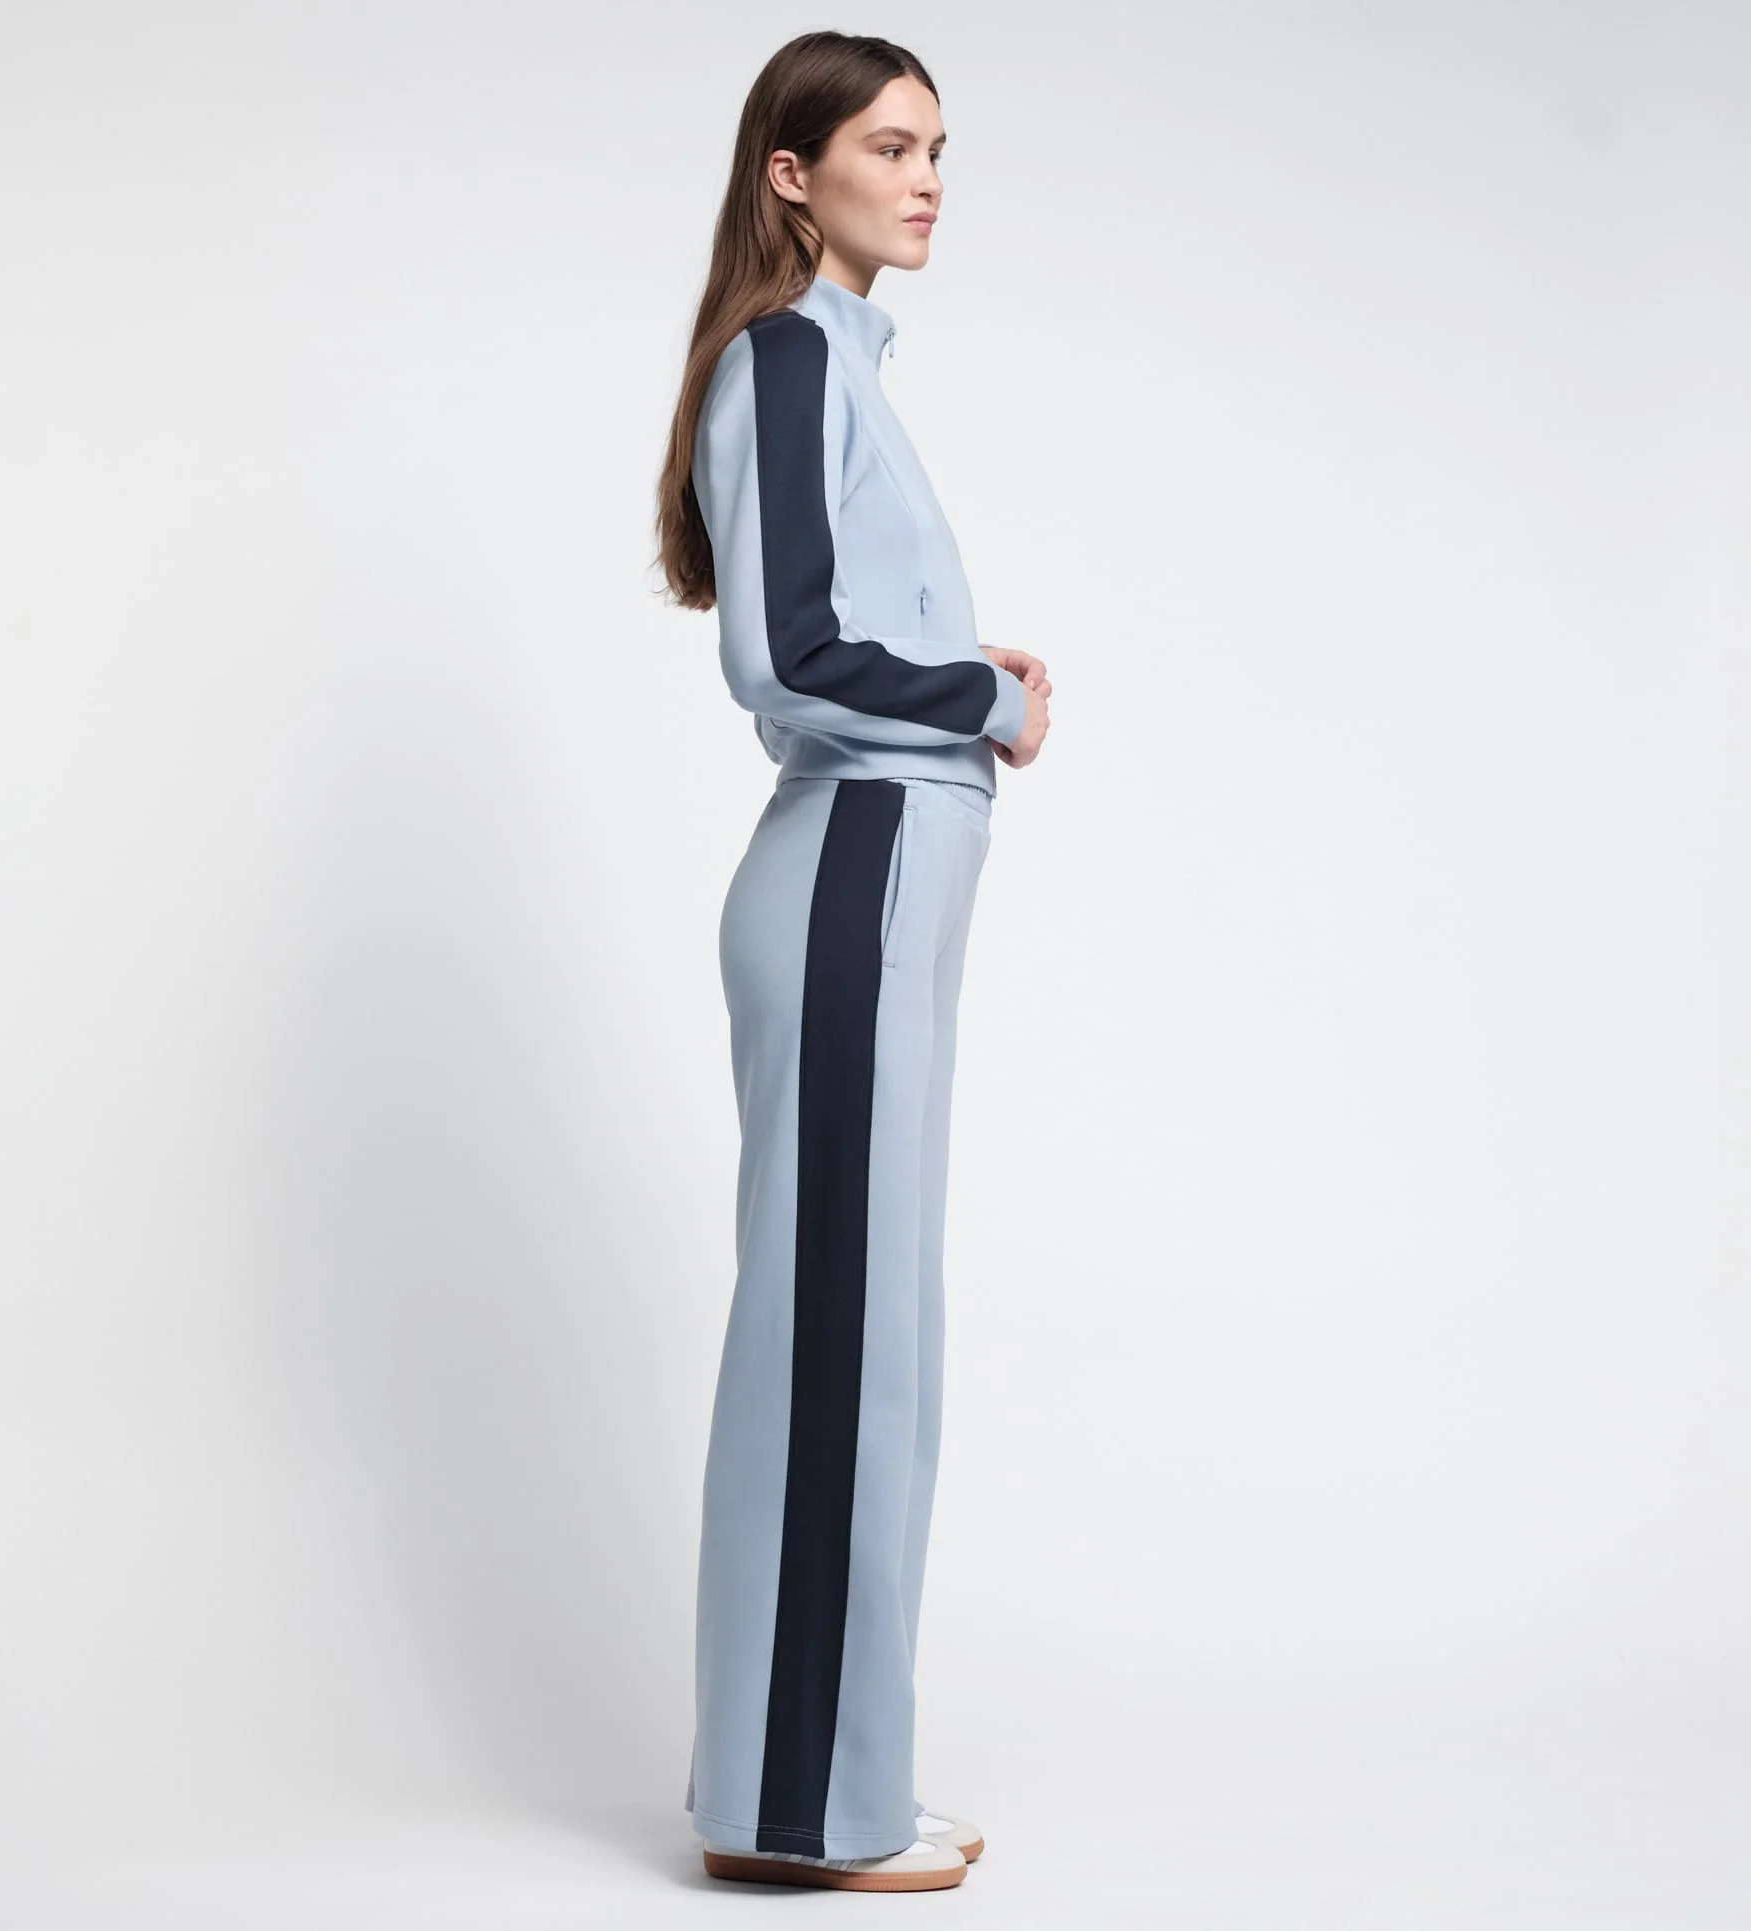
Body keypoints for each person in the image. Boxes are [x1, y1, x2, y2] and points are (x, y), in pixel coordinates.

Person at [653, 29, 1052, 1895]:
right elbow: (790, 655)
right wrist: (989, 696)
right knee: (840, 1335)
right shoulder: (791, 356)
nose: (929, 178)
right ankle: (802, 1807)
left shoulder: (840, 365)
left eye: (940, 147)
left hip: (876, 876)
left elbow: (829, 628)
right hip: (854, 871)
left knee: (870, 1327)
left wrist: (966, 679)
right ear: (792, 171)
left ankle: (819, 1768)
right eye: (892, 146)